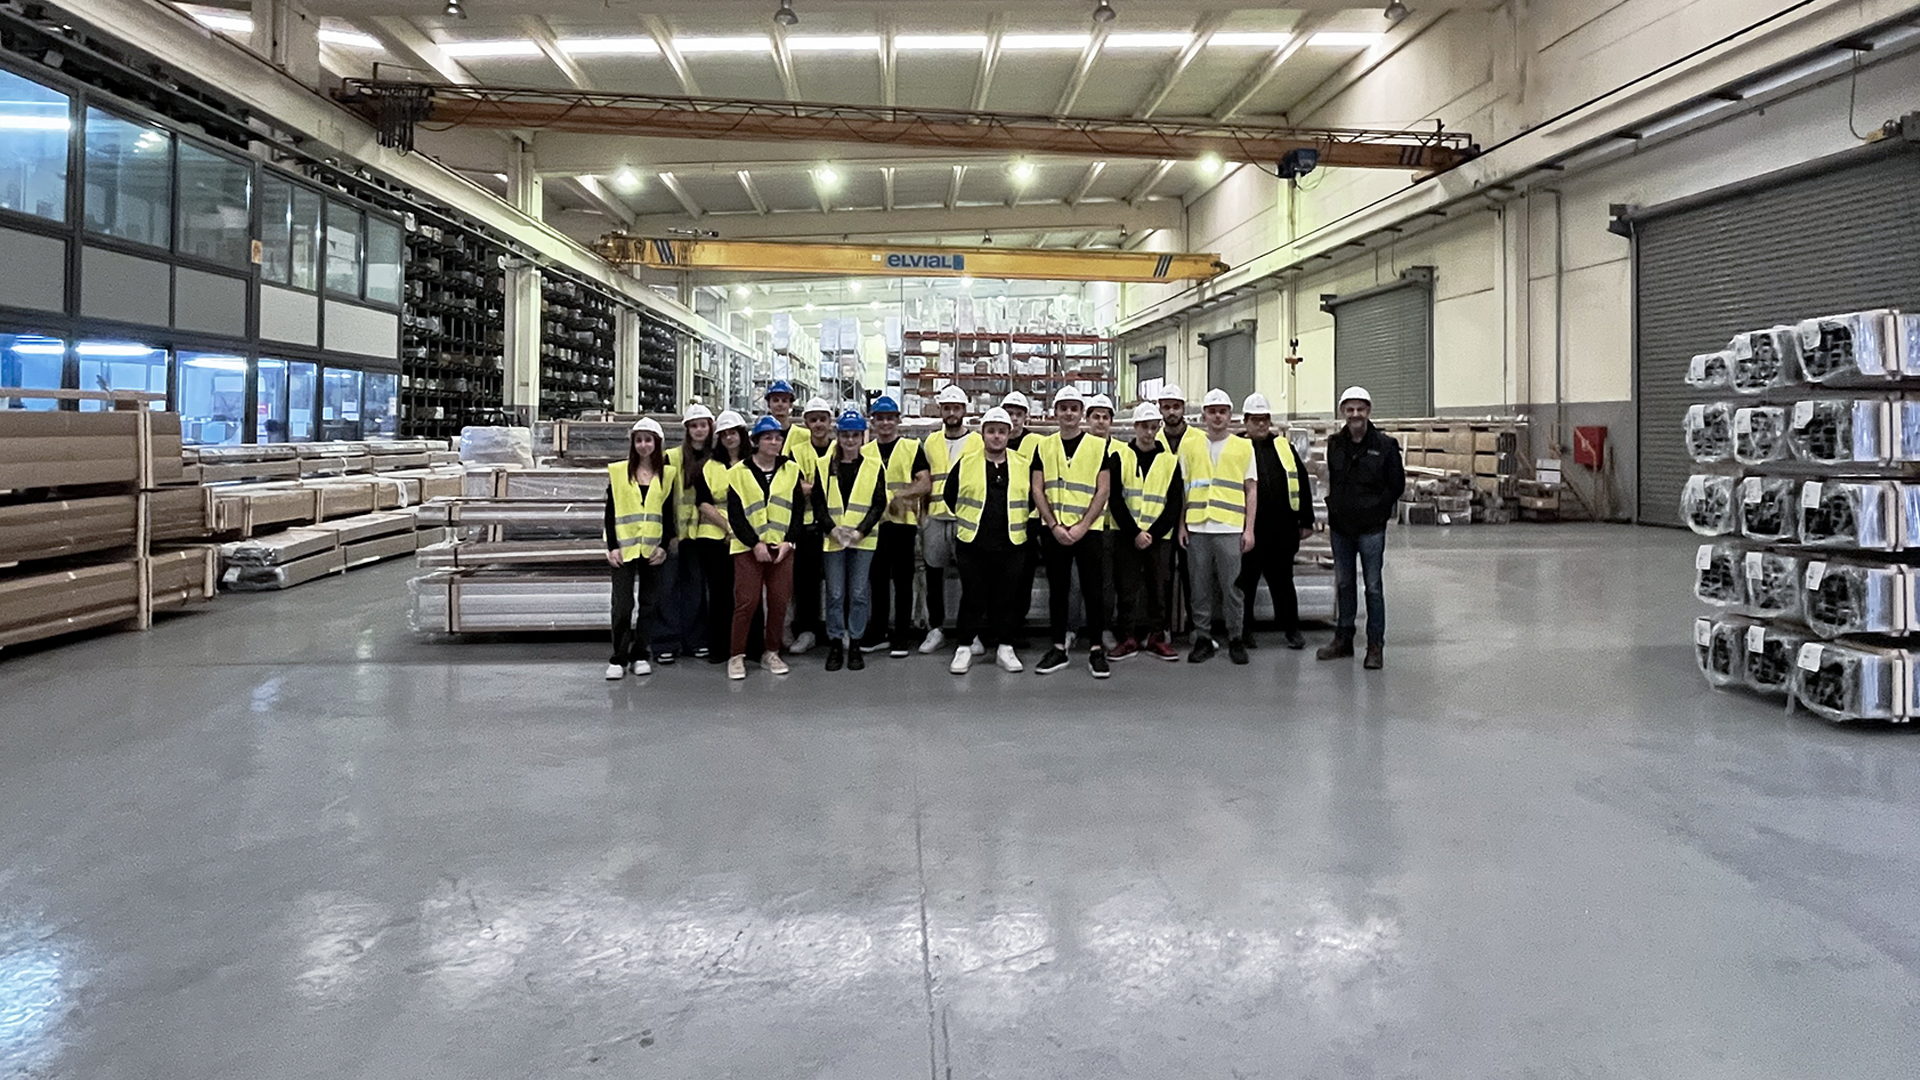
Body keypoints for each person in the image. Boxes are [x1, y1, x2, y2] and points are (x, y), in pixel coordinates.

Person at [725, 415, 826, 681]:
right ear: (756, 441)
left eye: (778, 437)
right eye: (768, 437)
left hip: (781, 548)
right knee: (747, 602)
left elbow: (797, 510)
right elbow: (735, 515)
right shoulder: (738, 473)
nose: (774, 442)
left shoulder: (791, 470)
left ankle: (771, 652)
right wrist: (754, 543)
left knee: (780, 602)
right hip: (748, 548)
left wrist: (789, 541)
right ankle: (737, 655)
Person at [1318, 386, 1405, 670]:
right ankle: (1343, 639)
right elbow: (1334, 479)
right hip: (1341, 528)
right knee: (1344, 584)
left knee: (1373, 587)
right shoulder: (1335, 444)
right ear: (1343, 412)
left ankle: (1375, 645)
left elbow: (1397, 485)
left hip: (1371, 529)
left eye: (1360, 408)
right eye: (1350, 409)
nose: (1355, 414)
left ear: (1368, 411)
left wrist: (1377, 510)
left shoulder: (1385, 445)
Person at [1029, 387, 1113, 679]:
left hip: (1088, 531)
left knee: (1093, 590)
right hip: (1054, 530)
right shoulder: (1044, 446)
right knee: (1059, 590)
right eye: (1063, 408)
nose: (1068, 413)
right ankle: (1058, 647)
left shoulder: (1098, 447)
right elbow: (1037, 488)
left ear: (1081, 413)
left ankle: (1096, 649)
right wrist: (1054, 525)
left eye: (1073, 408)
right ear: (1056, 412)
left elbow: (1103, 490)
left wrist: (1082, 526)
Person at [943, 407, 1031, 675]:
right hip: (973, 543)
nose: (996, 436)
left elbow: (1033, 497)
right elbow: (950, 494)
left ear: (1009, 434)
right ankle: (964, 647)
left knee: (1007, 597)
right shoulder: (966, 463)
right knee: (972, 596)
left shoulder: (1022, 464)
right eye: (991, 431)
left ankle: (1006, 647)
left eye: (1001, 432)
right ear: (983, 434)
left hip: (1011, 542)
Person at [1177, 388, 1257, 665]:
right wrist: (1182, 525)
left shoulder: (1244, 447)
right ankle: (1203, 638)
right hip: (1198, 527)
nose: (1217, 417)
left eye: (1222, 412)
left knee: (1232, 588)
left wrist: (1249, 529)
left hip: (1230, 527)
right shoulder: (1189, 446)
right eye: (1212, 412)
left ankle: (1235, 638)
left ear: (1230, 416)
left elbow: (1251, 490)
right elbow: (1184, 490)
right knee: (1199, 588)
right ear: (1204, 416)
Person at [1236, 393, 1317, 650]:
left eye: (1265, 419)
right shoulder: (1235, 447)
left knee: (1283, 583)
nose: (1261, 424)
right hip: (1248, 528)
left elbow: (1301, 481)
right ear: (1245, 421)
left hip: (1282, 528)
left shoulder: (1283, 446)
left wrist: (1306, 520)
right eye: (1255, 419)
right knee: (1246, 582)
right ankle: (1244, 631)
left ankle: (1292, 630)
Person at [1107, 403, 1183, 661]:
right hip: (1127, 537)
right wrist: (1135, 533)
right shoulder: (1120, 457)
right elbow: (1115, 499)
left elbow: (1174, 503)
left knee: (1158, 590)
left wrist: (1152, 533)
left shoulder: (1170, 462)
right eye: (1144, 427)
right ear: (1135, 427)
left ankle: (1156, 638)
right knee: (1126, 590)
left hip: (1159, 539)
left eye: (1153, 427)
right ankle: (1127, 638)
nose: (1149, 433)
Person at [858, 395, 932, 658]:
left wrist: (900, 496)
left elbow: (925, 483)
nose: (885, 423)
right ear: (873, 422)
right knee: (877, 581)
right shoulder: (865, 451)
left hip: (903, 524)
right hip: (874, 526)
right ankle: (878, 632)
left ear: (898, 420)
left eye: (890, 418)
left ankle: (901, 635)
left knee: (903, 581)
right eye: (880, 418)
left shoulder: (912, 448)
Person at [603, 418, 677, 680]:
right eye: (639, 440)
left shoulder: (667, 474)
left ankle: (640, 654)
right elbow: (610, 512)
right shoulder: (619, 472)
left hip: (652, 550)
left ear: (657, 443)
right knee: (622, 606)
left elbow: (668, 514)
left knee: (649, 605)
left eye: (649, 440)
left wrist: (664, 546)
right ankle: (618, 657)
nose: (644, 445)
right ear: (633, 444)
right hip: (624, 549)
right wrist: (612, 547)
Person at [821, 409, 885, 672]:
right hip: (834, 540)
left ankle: (855, 643)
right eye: (845, 435)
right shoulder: (824, 465)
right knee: (835, 594)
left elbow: (879, 503)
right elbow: (819, 503)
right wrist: (832, 530)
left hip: (863, 541)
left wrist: (861, 531)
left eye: (855, 436)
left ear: (862, 437)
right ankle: (836, 642)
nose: (850, 440)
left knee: (858, 594)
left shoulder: (874, 465)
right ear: (838, 436)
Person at [917, 384, 978, 655]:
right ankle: (936, 628)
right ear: (940, 410)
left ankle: (971, 632)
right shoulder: (930, 441)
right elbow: (925, 481)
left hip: (966, 518)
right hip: (935, 518)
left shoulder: (977, 442)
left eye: (956, 408)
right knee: (933, 576)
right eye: (947, 408)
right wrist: (923, 515)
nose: (951, 413)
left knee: (971, 578)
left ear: (964, 410)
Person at [688, 410, 748, 663]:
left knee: (746, 595)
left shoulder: (754, 462)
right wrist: (729, 528)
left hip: (749, 536)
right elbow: (703, 502)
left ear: (742, 435)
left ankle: (749, 646)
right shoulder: (708, 466)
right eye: (724, 435)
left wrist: (741, 531)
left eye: (733, 433)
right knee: (720, 593)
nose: (729, 438)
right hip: (714, 537)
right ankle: (720, 647)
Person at [659, 403, 716, 664]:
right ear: (687, 429)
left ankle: (696, 640)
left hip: (701, 535)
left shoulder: (716, 458)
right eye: (694, 426)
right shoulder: (671, 457)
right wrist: (668, 534)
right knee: (668, 588)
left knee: (696, 589)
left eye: (703, 425)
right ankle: (666, 642)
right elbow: (662, 498)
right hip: (675, 535)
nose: (699, 430)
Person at [787, 396, 837, 654]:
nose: (818, 424)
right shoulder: (797, 451)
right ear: (806, 422)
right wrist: (825, 488)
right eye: (813, 419)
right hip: (807, 526)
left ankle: (837, 630)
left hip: (837, 525)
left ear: (830, 422)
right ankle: (807, 631)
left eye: (823, 419)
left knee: (837, 583)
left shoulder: (841, 447)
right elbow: (791, 486)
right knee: (805, 582)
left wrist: (811, 488)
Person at [1002, 390, 1040, 649]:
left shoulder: (1037, 442)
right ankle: (997, 626)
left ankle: (1017, 626)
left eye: (1018, 414)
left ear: (1026, 417)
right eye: (1010, 413)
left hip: (1029, 520)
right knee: (998, 576)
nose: (1014, 419)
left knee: (1023, 576)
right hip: (997, 519)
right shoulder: (993, 439)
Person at [1085, 393, 1120, 651]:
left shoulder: (1121, 451)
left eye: (1105, 417)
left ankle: (1105, 628)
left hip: (1111, 527)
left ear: (1111, 421)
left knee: (1107, 582)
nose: (1100, 421)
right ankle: (1072, 629)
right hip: (1083, 526)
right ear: (1087, 419)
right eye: (1095, 416)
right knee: (1078, 583)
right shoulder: (1080, 448)